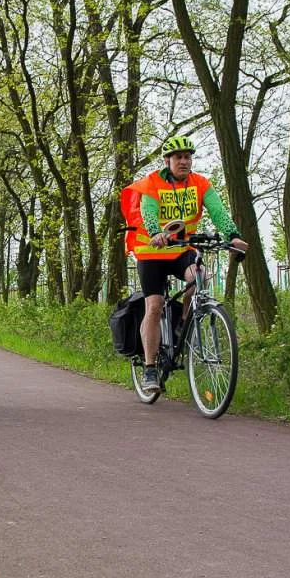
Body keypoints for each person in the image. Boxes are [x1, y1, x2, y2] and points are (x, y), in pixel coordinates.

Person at [123, 135, 248, 393]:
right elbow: (148, 211)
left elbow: (218, 212)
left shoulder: (200, 184)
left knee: (199, 275)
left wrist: (232, 236)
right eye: (178, 157)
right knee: (155, 305)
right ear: (167, 160)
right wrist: (156, 231)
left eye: (188, 157)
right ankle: (149, 369)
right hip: (152, 251)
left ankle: (183, 323)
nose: (184, 161)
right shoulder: (152, 184)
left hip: (181, 250)